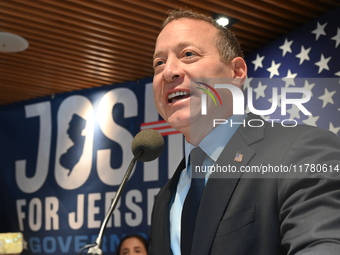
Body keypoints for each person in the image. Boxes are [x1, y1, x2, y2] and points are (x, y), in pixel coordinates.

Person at [149, 9, 340, 255]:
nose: (168, 72)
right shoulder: (165, 198)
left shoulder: (301, 151)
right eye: (158, 63)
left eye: (188, 54)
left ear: (236, 73)